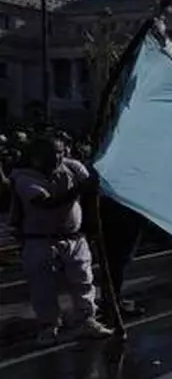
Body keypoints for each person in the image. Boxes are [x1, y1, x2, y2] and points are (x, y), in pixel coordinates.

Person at [10, 135, 114, 347]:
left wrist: (93, 215)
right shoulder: (24, 178)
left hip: (73, 237)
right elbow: (46, 203)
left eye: (59, 152)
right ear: (36, 157)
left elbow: (91, 190)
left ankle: (86, 319)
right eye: (50, 154)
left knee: (83, 279)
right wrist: (79, 189)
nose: (57, 158)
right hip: (40, 240)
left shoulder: (72, 167)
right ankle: (49, 326)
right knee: (43, 286)